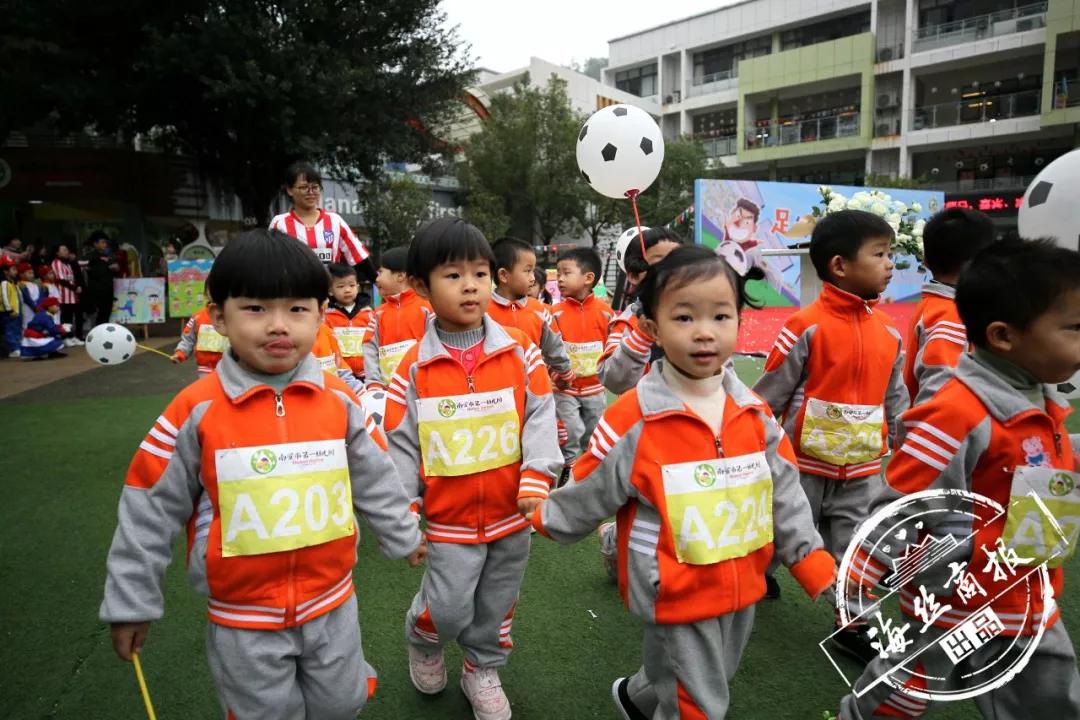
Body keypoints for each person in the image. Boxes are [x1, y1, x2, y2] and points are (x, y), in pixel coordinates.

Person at [100, 228, 425, 720]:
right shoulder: (194, 410)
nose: (278, 326)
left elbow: (375, 475)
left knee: (343, 703)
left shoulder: (339, 398)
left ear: (320, 315)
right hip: (242, 619)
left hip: (332, 600)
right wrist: (130, 601)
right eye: (255, 308)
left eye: (297, 309)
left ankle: (349, 688)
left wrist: (404, 534)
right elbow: (149, 504)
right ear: (218, 318)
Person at [530, 246, 836, 720]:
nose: (704, 333)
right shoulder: (634, 417)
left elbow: (784, 486)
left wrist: (808, 555)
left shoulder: (752, 411)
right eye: (684, 317)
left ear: (740, 321)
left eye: (720, 315)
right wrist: (547, 516)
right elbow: (592, 485)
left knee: (708, 673)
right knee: (700, 704)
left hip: (742, 577)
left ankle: (637, 698)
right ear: (652, 329)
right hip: (672, 587)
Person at [837, 238, 1080, 719]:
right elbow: (902, 500)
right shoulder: (956, 413)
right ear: (1004, 336)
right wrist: (861, 574)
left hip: (1030, 589)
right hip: (960, 601)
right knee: (907, 689)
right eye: (1074, 328)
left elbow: (1047, 466)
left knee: (1050, 695)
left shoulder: (1041, 399)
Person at [384, 217, 561, 720]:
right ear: (421, 286)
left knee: (498, 604)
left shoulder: (521, 352)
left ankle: (482, 667)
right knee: (449, 606)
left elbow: (541, 415)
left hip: (512, 516)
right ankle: (424, 637)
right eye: (454, 275)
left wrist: (536, 476)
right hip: (449, 522)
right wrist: (404, 516)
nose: (471, 286)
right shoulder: (413, 370)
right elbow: (399, 445)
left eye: (480, 274)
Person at [752, 209, 908, 659]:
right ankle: (756, 574)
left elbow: (896, 400)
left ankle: (852, 623)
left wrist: (908, 447)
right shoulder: (805, 326)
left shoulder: (889, 333)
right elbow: (770, 395)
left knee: (856, 544)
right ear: (840, 265)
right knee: (777, 535)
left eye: (891, 253)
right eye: (879, 253)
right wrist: (756, 447)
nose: (890, 263)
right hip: (799, 467)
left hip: (862, 470)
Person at [903, 207, 995, 406]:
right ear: (985, 261)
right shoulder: (952, 315)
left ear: (926, 261)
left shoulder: (936, 306)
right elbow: (941, 398)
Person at [598, 227, 685, 395]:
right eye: (660, 262)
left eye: (678, 262)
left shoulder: (697, 315)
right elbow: (613, 379)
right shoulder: (626, 323)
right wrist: (640, 337)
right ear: (633, 275)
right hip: (645, 415)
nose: (671, 270)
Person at [551, 247, 614, 467]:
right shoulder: (554, 313)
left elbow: (613, 346)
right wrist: (555, 374)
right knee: (570, 431)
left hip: (595, 388)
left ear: (588, 278)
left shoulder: (606, 312)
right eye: (558, 274)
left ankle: (591, 469)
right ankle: (568, 467)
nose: (559, 279)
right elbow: (548, 348)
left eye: (566, 273)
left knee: (593, 432)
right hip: (564, 388)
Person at [486, 237, 573, 389]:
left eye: (533, 270)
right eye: (527, 271)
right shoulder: (483, 310)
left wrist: (565, 372)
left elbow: (554, 346)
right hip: (495, 391)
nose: (533, 278)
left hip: (534, 387)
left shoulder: (540, 310)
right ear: (504, 275)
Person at [268, 161, 376, 282]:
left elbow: (358, 256)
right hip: (293, 296)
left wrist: (379, 284)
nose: (311, 192)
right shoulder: (279, 223)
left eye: (315, 187)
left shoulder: (335, 221)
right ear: (289, 190)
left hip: (327, 295)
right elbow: (270, 264)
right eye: (304, 187)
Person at [362, 246, 431, 390]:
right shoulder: (378, 314)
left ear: (400, 276)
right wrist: (374, 383)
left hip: (423, 387)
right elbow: (370, 347)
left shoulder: (427, 307)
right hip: (388, 391)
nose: (377, 278)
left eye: (380, 272)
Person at [324, 263, 370, 381]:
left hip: (366, 373)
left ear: (358, 288)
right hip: (341, 374)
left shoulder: (368, 313)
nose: (347, 290)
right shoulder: (327, 316)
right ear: (330, 291)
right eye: (341, 286)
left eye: (351, 285)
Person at [172, 307, 226, 376]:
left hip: (229, 369)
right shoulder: (198, 317)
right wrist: (180, 353)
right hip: (205, 369)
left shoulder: (233, 316)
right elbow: (188, 339)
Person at [83, 231, 119, 328]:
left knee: (107, 312)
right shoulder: (90, 256)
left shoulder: (108, 255)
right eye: (102, 242)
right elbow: (93, 273)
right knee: (99, 314)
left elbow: (114, 269)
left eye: (105, 242)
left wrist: (115, 268)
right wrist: (107, 267)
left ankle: (105, 332)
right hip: (97, 290)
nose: (105, 245)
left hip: (108, 288)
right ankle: (98, 333)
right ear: (95, 243)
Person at [51, 244, 86, 342]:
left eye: (67, 249)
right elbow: (61, 280)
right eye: (64, 249)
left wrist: (76, 287)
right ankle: (65, 337)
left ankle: (72, 337)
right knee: (66, 317)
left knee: (71, 317)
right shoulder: (56, 262)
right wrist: (75, 288)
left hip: (72, 295)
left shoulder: (67, 263)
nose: (67, 251)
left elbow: (71, 278)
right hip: (63, 295)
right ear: (57, 253)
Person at [1, 256, 23, 358]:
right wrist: (9, 309)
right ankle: (13, 349)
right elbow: (4, 297)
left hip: (17, 312)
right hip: (9, 313)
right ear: (5, 271)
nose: (16, 271)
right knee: (10, 331)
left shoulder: (14, 283)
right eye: (13, 269)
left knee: (17, 330)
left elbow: (19, 297)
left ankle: (18, 347)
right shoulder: (4, 283)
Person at [16, 262, 44, 330]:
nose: (32, 275)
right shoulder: (21, 284)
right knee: (27, 325)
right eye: (29, 273)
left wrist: (39, 305)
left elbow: (40, 296)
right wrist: (34, 307)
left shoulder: (35, 284)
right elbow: (27, 298)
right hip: (27, 309)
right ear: (21, 274)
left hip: (37, 308)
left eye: (32, 273)